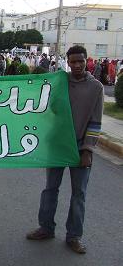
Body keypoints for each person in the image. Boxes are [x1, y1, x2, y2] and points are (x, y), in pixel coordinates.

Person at [26, 45, 104, 255]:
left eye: (81, 61)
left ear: (87, 61)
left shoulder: (96, 87)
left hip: (80, 148)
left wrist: (88, 150)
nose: (77, 65)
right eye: (73, 62)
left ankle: (74, 236)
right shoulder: (59, 82)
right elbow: (46, 111)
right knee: (50, 188)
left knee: (79, 194)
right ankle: (46, 228)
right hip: (57, 145)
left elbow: (96, 122)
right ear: (67, 63)